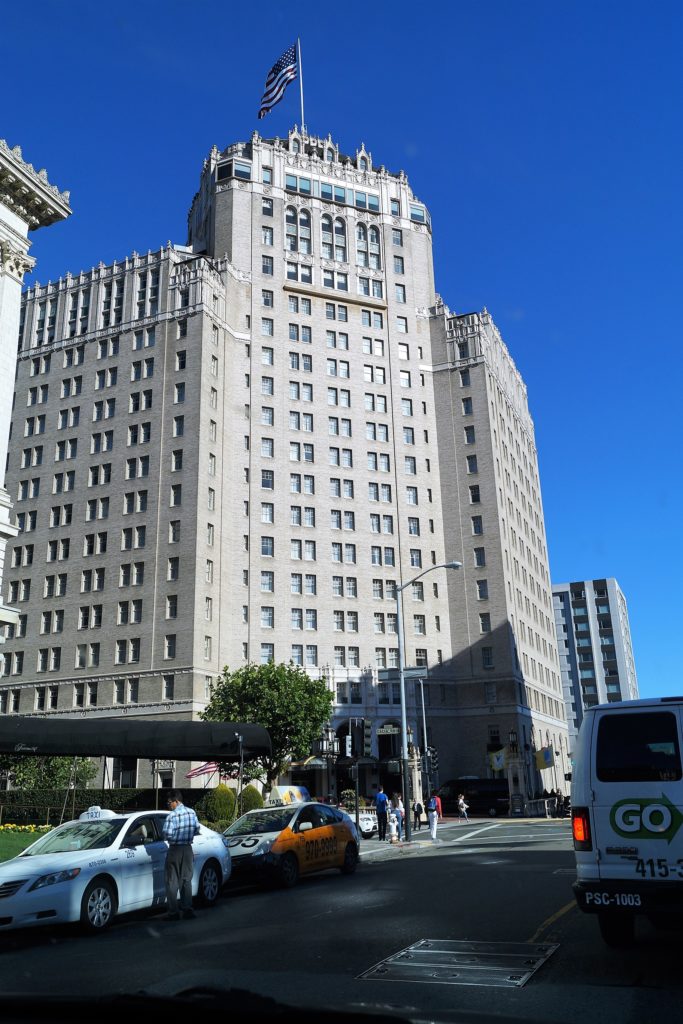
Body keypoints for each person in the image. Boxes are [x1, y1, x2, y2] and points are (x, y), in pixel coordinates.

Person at [162, 790, 200, 920]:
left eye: (169, 803)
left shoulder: (171, 816)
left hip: (175, 850)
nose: (168, 805)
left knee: (172, 881)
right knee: (186, 880)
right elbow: (196, 829)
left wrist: (175, 838)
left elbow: (167, 834)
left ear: (176, 801)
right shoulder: (192, 812)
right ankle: (187, 909)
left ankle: (173, 913)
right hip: (188, 849)